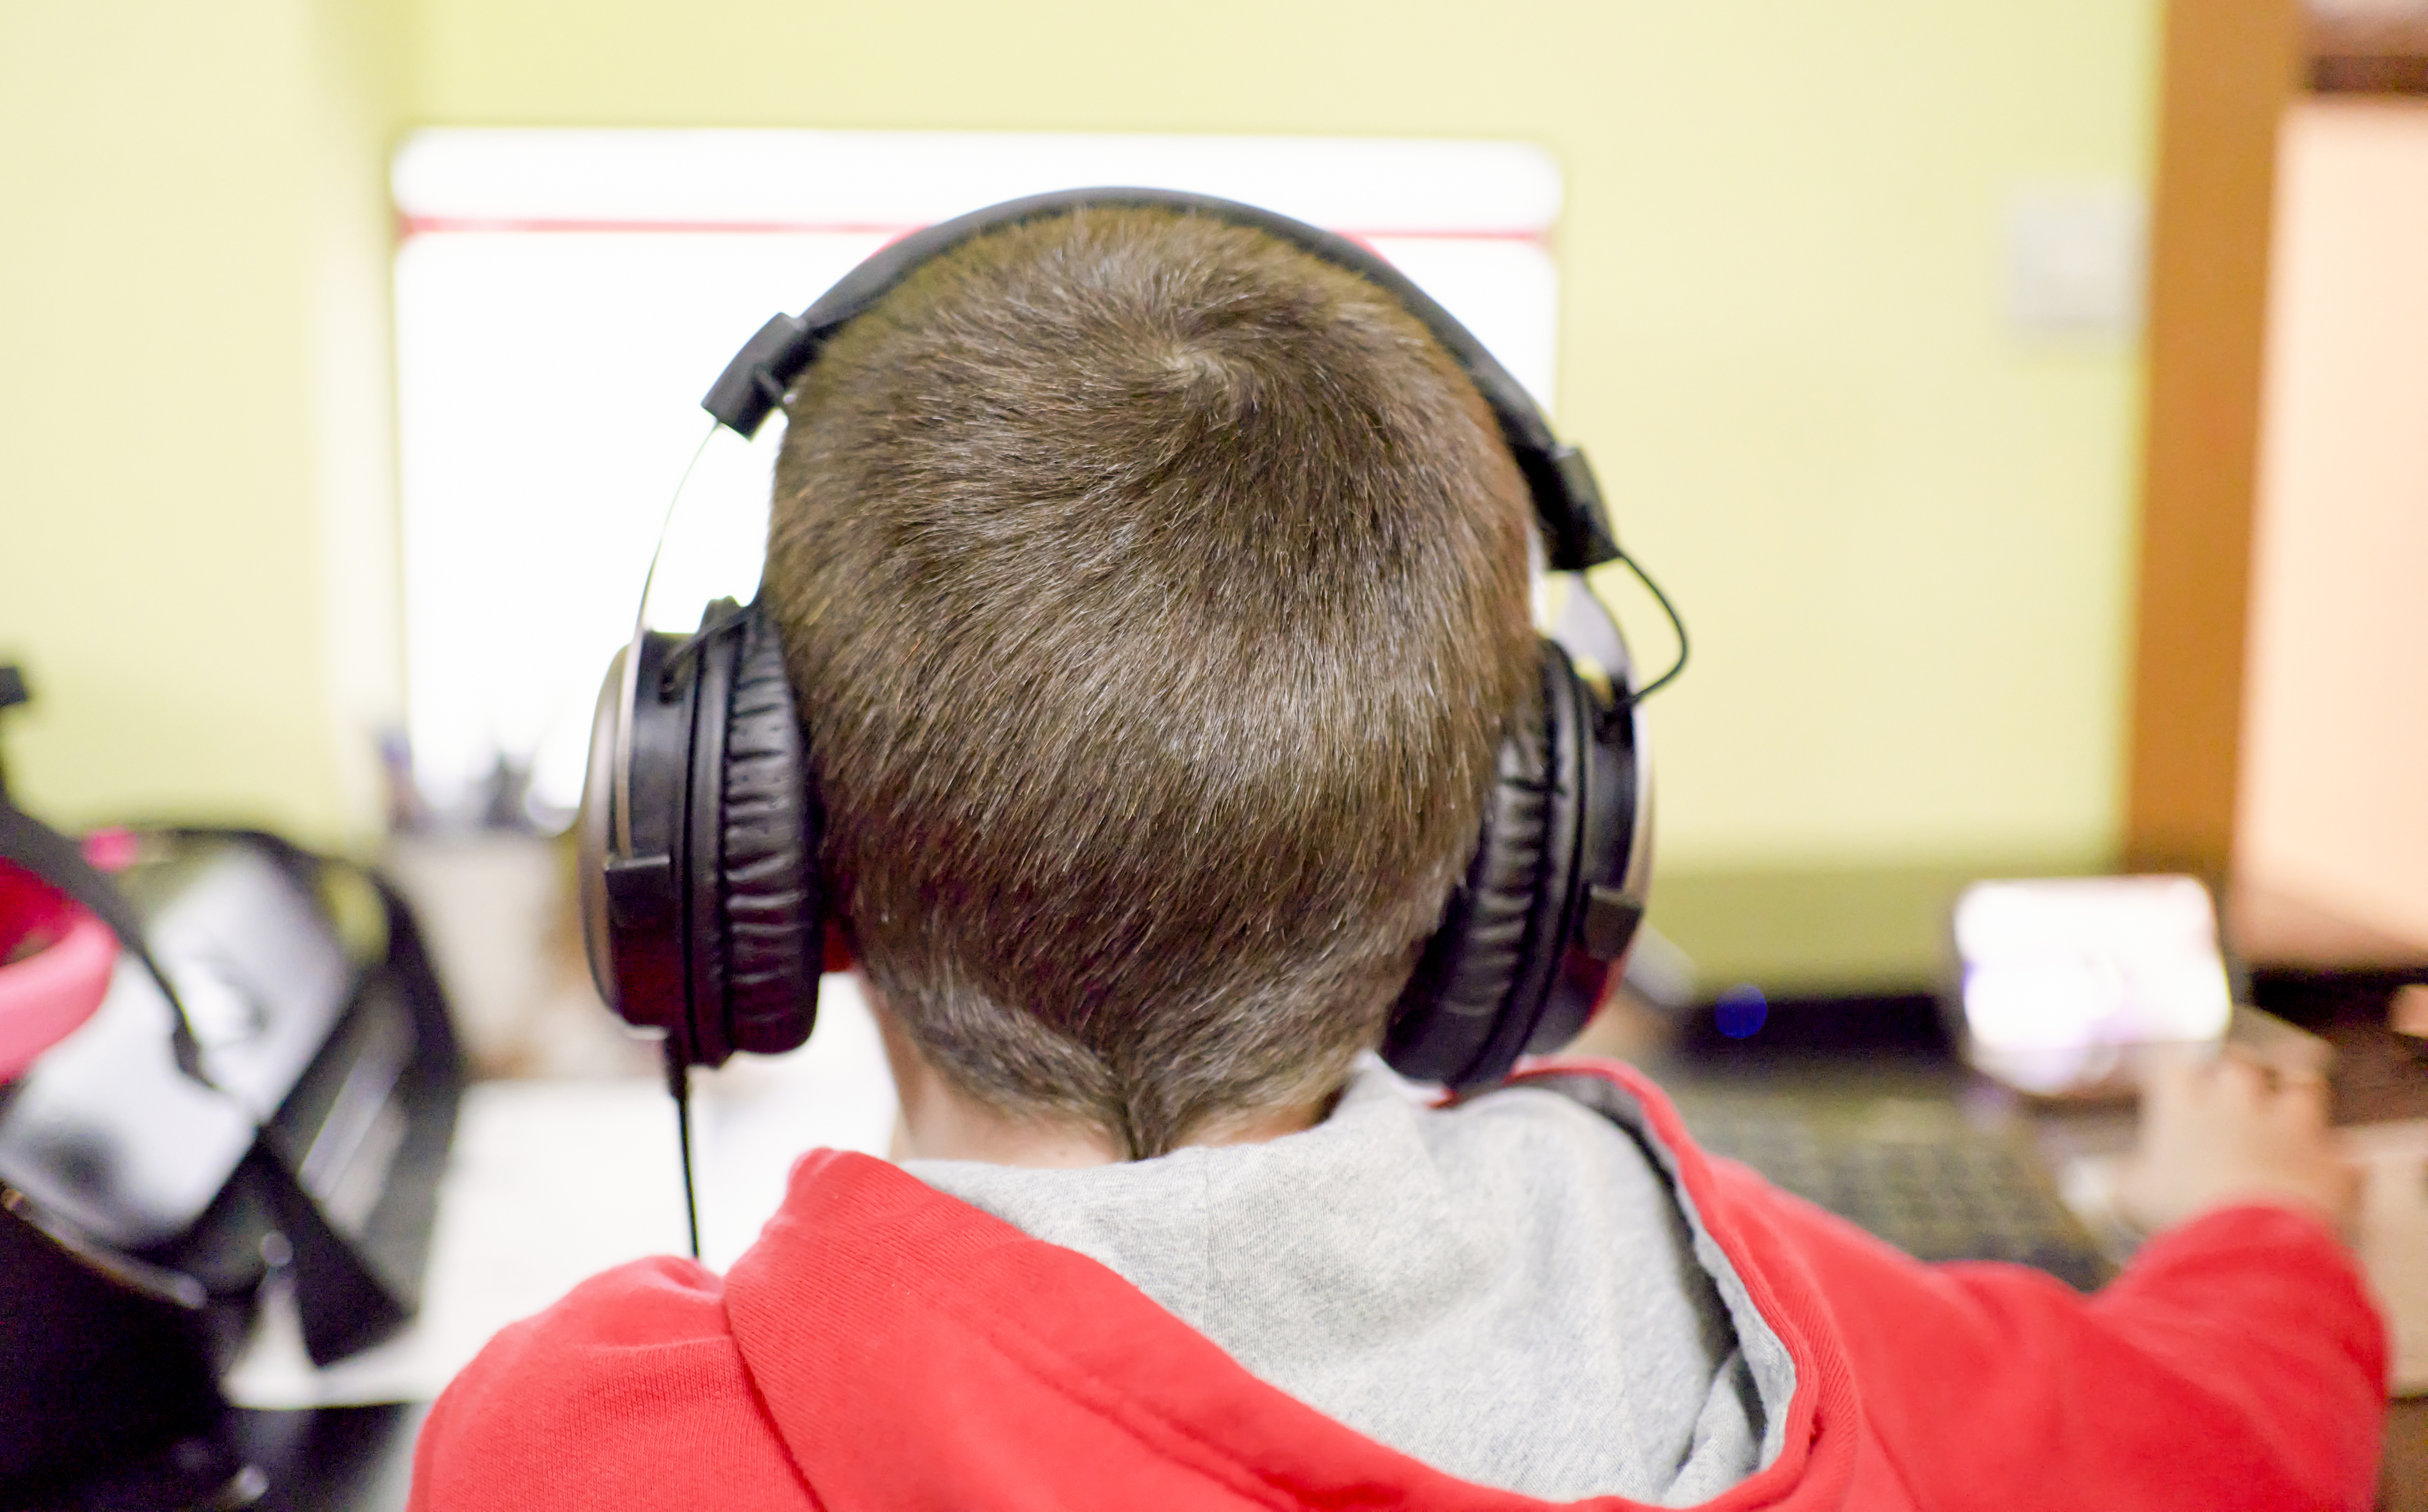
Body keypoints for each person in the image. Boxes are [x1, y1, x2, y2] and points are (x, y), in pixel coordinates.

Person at [409, 207, 2383, 1511]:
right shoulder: (1742, 1311)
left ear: (768, 834)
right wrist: (2261, 1230)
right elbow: (2227, 1439)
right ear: (1516, 852)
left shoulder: (582, 1441)